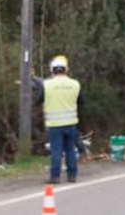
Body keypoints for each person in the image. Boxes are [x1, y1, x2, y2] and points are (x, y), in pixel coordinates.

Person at [37, 55, 82, 184]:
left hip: (54, 124)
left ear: (52, 70)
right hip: (71, 123)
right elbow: (81, 101)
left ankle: (55, 176)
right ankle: (72, 175)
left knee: (56, 150)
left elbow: (38, 100)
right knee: (70, 150)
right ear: (66, 70)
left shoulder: (47, 85)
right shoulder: (75, 84)